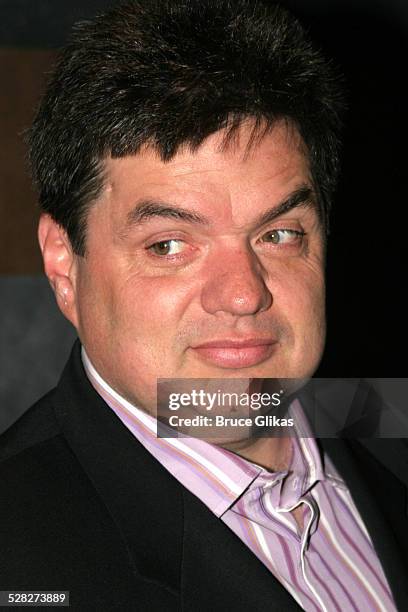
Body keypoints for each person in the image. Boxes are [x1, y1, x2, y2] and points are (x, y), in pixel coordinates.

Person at [1, 1, 407, 610]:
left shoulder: (384, 436)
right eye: (168, 245)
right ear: (65, 264)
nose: (243, 294)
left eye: (279, 234)